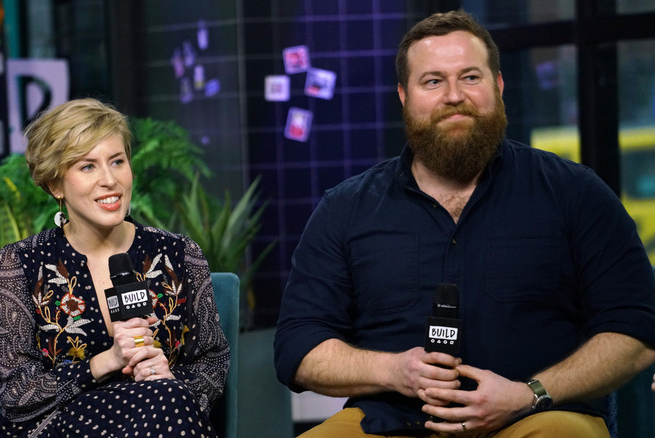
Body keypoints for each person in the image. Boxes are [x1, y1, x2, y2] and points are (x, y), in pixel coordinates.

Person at [274, 9, 655, 438]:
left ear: (498, 85)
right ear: (404, 95)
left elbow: (637, 330)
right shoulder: (345, 209)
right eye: (433, 81)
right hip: (387, 422)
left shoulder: (576, 193)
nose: (454, 95)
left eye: (470, 77)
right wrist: (394, 370)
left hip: (536, 417)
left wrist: (528, 393)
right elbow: (298, 347)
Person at [0, 98, 229, 437]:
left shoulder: (178, 253)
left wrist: (169, 378)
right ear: (56, 185)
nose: (109, 180)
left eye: (117, 161)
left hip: (166, 415)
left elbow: (213, 361)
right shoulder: (21, 263)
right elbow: (16, 394)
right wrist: (106, 362)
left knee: (169, 400)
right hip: (61, 426)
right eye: (88, 167)